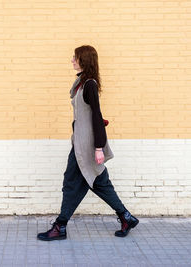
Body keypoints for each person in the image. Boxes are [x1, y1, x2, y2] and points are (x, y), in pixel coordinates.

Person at [37, 45, 139, 241]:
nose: (72, 60)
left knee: (72, 182)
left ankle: (60, 226)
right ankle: (126, 217)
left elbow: (96, 116)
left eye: (75, 58)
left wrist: (99, 147)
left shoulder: (89, 84)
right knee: (99, 183)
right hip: (81, 143)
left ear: (84, 60)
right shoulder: (81, 83)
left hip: (88, 146)